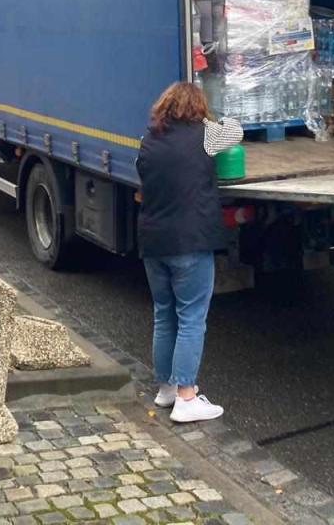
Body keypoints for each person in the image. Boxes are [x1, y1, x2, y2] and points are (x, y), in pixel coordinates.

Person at [136, 81, 243, 422]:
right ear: (197, 108)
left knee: (164, 314)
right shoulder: (205, 135)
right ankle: (186, 397)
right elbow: (236, 131)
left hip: (154, 242)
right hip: (190, 242)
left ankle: (166, 390)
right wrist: (214, 117)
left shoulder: (148, 139)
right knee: (191, 318)